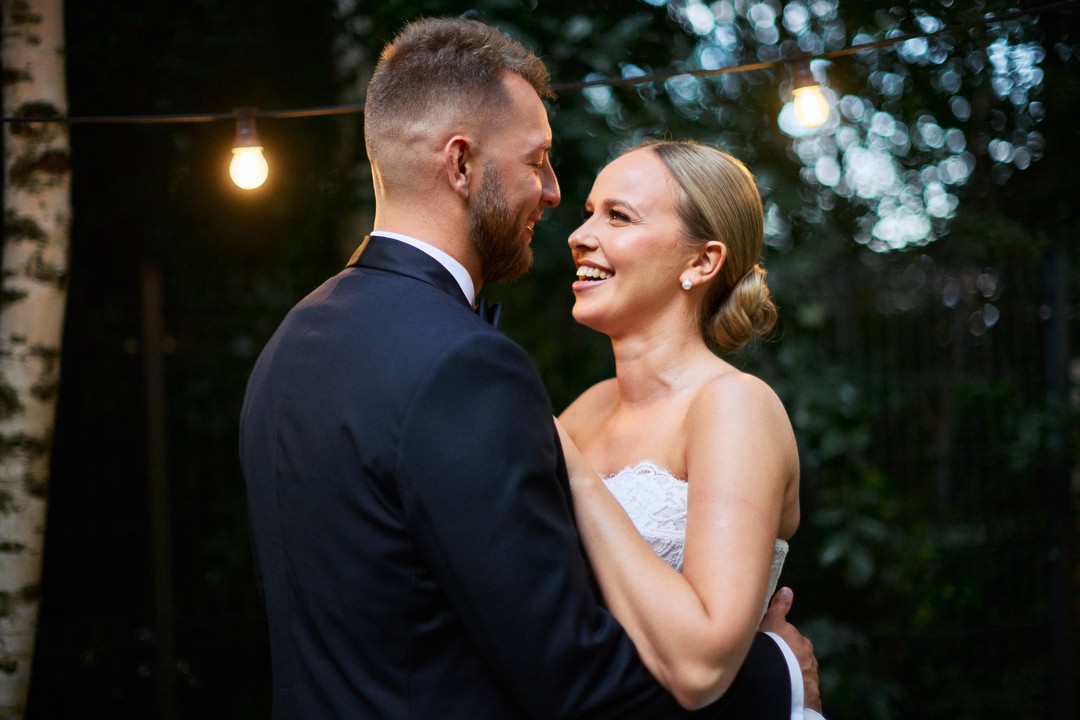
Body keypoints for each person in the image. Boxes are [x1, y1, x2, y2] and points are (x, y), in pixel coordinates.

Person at [239, 16, 819, 719]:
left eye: (618, 216)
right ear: (460, 164)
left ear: (703, 261)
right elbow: (556, 660)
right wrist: (779, 676)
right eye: (539, 160)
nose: (562, 210)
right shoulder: (482, 373)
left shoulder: (291, 343)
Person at [557, 139, 821, 715]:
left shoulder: (734, 406)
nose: (579, 235)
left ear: (702, 262)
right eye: (589, 213)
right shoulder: (584, 410)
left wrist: (575, 474)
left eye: (618, 216)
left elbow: (702, 666)